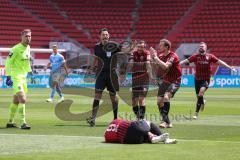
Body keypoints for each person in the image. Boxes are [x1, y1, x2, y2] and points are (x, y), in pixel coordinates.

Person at [180, 42, 236, 119]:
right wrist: (176, 64)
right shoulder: (195, 56)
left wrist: (229, 67)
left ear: (206, 48)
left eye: (202, 46)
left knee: (200, 94)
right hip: (197, 79)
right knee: (198, 96)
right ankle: (203, 101)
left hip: (205, 79)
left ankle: (196, 113)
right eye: (200, 46)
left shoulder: (210, 57)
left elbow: (220, 62)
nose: (201, 47)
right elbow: (184, 61)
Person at [86, 28, 121, 127]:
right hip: (100, 74)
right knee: (97, 96)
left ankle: (115, 119)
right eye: (103, 35)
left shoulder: (114, 46)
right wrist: (91, 68)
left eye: (106, 34)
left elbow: (124, 52)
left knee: (113, 97)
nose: (105, 36)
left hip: (112, 75)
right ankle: (93, 119)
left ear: (109, 36)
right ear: (100, 36)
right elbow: (96, 58)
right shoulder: (96, 47)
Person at [149, 39, 182, 128]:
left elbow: (165, 66)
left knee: (166, 97)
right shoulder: (160, 56)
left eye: (161, 45)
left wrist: (155, 58)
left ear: (167, 47)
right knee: (159, 101)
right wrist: (152, 58)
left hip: (175, 81)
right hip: (165, 80)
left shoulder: (173, 56)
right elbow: (156, 66)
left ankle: (163, 121)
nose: (159, 47)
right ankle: (168, 122)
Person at [5, 29, 32, 129]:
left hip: (23, 77)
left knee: (16, 101)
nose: (28, 38)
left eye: (29, 36)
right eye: (26, 36)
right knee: (23, 99)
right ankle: (23, 123)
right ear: (22, 36)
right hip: (16, 77)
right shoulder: (15, 48)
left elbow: (27, 61)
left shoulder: (28, 47)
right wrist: (8, 76)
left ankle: (10, 122)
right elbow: (8, 62)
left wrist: (30, 71)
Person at [128, 40, 152, 119]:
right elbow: (130, 64)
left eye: (142, 47)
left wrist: (149, 73)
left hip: (144, 79)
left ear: (144, 47)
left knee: (141, 98)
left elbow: (148, 62)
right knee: (134, 101)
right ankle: (138, 116)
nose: (140, 48)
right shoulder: (133, 53)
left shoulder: (147, 53)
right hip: (135, 79)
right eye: (138, 47)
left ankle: (141, 118)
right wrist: (130, 62)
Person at [104, 118, 177, 144]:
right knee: (147, 122)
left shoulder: (107, 136)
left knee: (142, 136)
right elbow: (131, 123)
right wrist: (148, 131)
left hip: (130, 140)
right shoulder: (116, 121)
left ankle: (151, 138)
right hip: (132, 129)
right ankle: (165, 139)